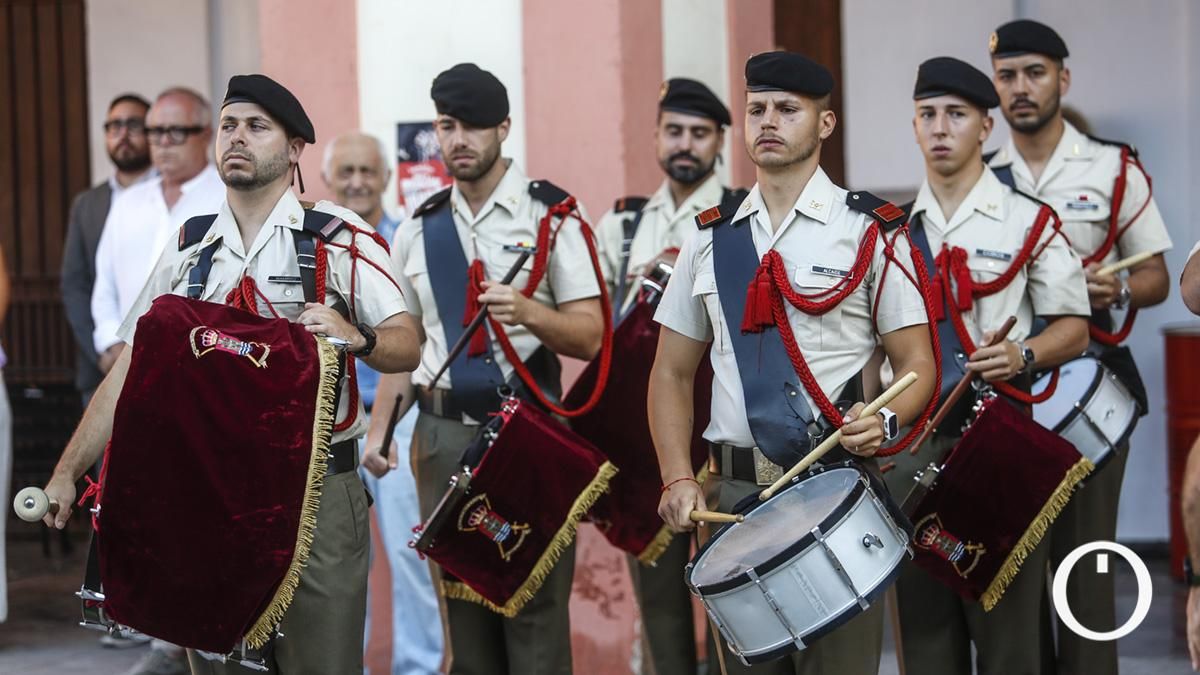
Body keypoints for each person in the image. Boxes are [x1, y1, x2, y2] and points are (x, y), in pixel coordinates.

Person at [40, 73, 422, 675]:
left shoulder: (341, 238)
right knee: (217, 666)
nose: (237, 137)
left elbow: (408, 345)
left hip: (318, 494)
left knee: (320, 666)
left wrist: (359, 336)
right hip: (212, 496)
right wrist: (67, 471)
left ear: (295, 150)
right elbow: (128, 371)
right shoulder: (188, 248)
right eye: (228, 125)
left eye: (257, 126)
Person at [651, 51, 937, 675]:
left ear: (825, 124)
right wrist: (677, 476)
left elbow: (917, 361)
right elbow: (671, 373)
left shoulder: (871, 232)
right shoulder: (709, 236)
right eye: (757, 109)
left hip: (832, 490)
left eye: (787, 109)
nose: (768, 121)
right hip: (730, 496)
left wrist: (884, 423)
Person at [369, 62, 604, 675]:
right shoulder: (419, 229)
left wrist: (529, 312)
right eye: (447, 126)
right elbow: (404, 345)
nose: (459, 140)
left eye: (473, 126)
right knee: (461, 611)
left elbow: (590, 336)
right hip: (441, 434)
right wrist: (378, 433)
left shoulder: (552, 218)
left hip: (527, 432)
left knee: (536, 612)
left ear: (503, 127)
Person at [885, 56, 1090, 675]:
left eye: (956, 114)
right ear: (914, 127)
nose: (940, 128)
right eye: (927, 115)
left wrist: (1022, 353)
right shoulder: (887, 234)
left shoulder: (1030, 220)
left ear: (985, 128)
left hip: (997, 447)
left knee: (1011, 648)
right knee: (925, 642)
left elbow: (1075, 329)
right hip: (914, 451)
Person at [988, 20, 1173, 675]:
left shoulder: (1110, 165)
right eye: (1007, 76)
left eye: (1034, 72)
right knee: (1012, 571)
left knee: (1087, 569)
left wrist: (1118, 283)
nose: (1020, 88)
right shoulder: (980, 178)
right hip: (1007, 392)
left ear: (1062, 79)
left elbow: (1156, 274)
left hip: (1095, 386)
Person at [589, 76, 737, 675]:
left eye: (699, 134)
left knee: (733, 597)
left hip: (724, 432)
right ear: (654, 135)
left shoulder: (744, 217)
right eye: (674, 131)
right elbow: (595, 328)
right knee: (659, 607)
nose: (685, 144)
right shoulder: (621, 225)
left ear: (720, 141)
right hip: (649, 436)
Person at [322, 131, 442, 675]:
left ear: (387, 178)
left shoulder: (404, 243)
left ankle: (417, 667)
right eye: (345, 171)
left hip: (400, 420)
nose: (356, 182)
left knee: (408, 554)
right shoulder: (312, 250)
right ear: (328, 179)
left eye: (367, 171)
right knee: (338, 566)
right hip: (327, 426)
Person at [90, 87, 225, 376]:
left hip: (203, 363)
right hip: (127, 362)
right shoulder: (128, 202)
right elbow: (104, 287)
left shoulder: (228, 197)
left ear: (205, 133)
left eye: (176, 131)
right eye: (155, 131)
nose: (163, 143)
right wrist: (111, 345)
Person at [61, 93, 154, 406]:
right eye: (114, 126)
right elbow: (75, 285)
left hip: (163, 364)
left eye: (133, 125)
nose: (123, 134)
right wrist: (102, 350)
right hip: (101, 369)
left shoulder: (175, 196)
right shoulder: (87, 205)